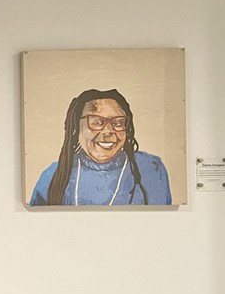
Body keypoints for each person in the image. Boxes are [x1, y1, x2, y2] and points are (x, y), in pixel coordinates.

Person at [30, 88, 171, 206]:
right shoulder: (54, 174)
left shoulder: (149, 168)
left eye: (117, 122)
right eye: (97, 122)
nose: (108, 131)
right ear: (76, 126)